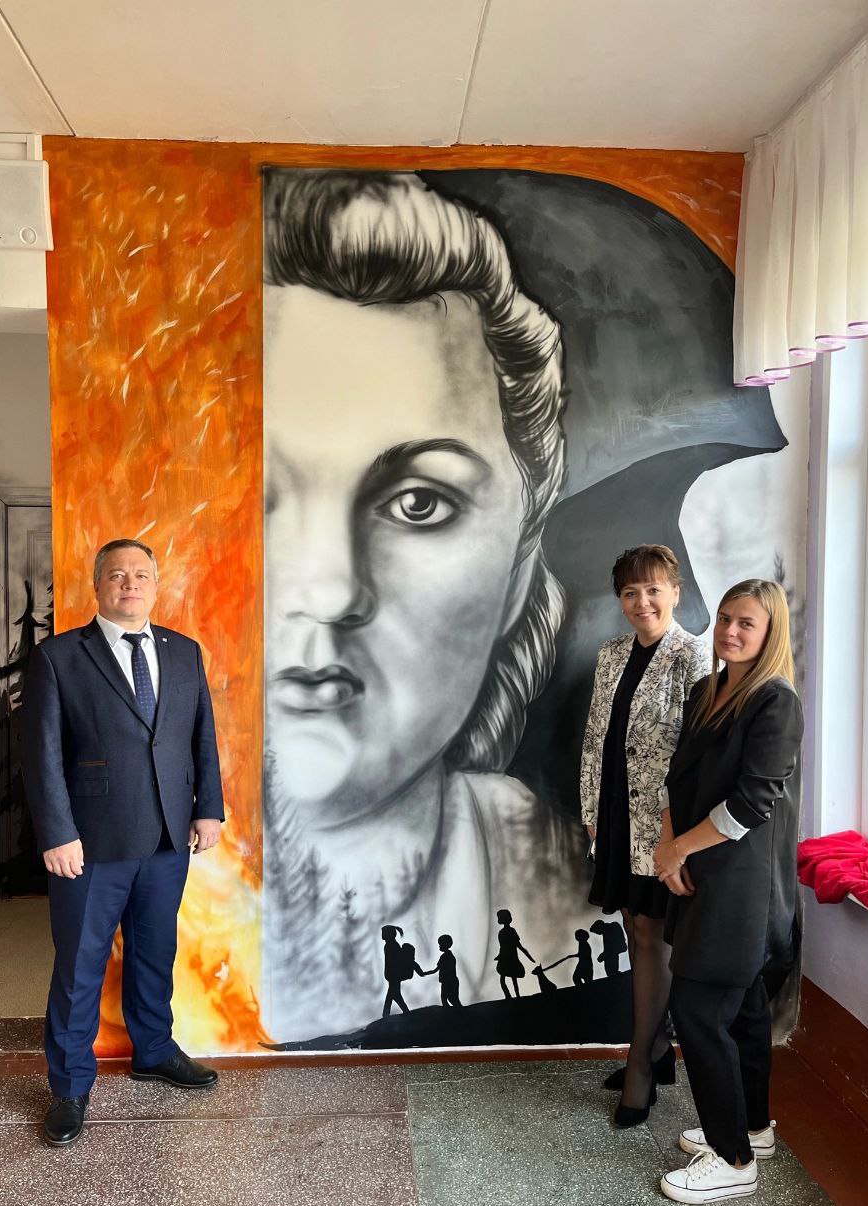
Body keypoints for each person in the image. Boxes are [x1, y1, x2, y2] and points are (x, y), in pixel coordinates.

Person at [262, 168, 586, 1037]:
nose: (330, 588)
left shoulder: (557, 884)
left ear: (518, 567)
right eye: (257, 497)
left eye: (418, 503)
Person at [21, 539, 225, 1148]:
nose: (129, 584)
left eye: (140, 575)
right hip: (89, 843)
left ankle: (154, 1050)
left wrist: (208, 809)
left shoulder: (184, 652)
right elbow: (42, 755)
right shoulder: (58, 657)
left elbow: (202, 736)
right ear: (98, 586)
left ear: (156, 585)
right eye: (117, 575)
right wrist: (58, 833)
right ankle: (69, 1085)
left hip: (168, 836)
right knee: (80, 965)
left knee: (154, 952)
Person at [654, 579, 802, 1204]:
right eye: (724, 618)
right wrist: (669, 847)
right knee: (742, 1012)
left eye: (747, 623)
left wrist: (679, 849)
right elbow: (676, 779)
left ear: (770, 635)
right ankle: (754, 1129)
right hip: (700, 868)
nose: (731, 631)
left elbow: (750, 804)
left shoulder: (776, 702)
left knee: (698, 1011)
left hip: (744, 887)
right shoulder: (704, 691)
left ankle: (733, 1158)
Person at [580, 545, 709, 1126]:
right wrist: (591, 810)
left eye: (654, 589)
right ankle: (655, 1049)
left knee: (653, 932)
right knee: (636, 926)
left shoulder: (693, 657)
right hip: (615, 814)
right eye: (630, 592)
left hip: (663, 823)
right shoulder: (610, 655)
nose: (642, 602)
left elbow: (698, 755)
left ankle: (640, 1063)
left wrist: (677, 834)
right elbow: (595, 740)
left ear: (675, 592)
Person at [381, 924, 424, 1017]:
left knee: (393, 994)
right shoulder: (390, 945)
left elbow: (397, 960)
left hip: (393, 974)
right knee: (394, 994)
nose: (382, 935)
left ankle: (389, 1013)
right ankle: (390, 1013)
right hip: (392, 974)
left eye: (384, 932)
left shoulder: (392, 945)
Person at [494, 908, 535, 999]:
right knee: (507, 979)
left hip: (510, 958)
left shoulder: (509, 931)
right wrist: (499, 956)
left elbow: (518, 945)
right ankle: (509, 996)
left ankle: (516, 996)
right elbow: (503, 947)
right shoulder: (503, 932)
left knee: (509, 978)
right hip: (506, 958)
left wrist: (528, 956)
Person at [422, 934, 462, 1008]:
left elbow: (436, 970)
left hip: (449, 981)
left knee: (450, 999)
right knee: (448, 999)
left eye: (440, 944)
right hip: (448, 981)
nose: (439, 946)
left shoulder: (446, 957)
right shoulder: (447, 956)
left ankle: (458, 1012)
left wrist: (424, 973)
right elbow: (437, 969)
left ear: (445, 944)